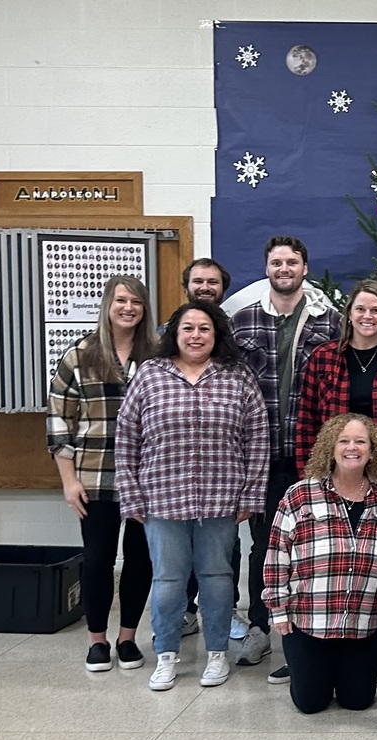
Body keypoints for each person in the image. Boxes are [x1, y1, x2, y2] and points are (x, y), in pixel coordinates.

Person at [116, 301, 269, 691]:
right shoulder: (151, 374)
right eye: (188, 328)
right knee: (168, 581)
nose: (196, 336)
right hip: (161, 498)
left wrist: (252, 494)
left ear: (216, 334)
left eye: (204, 328)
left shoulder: (237, 375)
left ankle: (217, 653)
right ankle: (166, 655)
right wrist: (131, 495)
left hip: (221, 498)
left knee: (217, 578)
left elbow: (257, 437)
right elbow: (127, 437)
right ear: (175, 334)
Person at [295, 279, 377, 682]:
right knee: (333, 556)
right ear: (348, 314)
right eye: (361, 309)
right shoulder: (323, 358)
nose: (368, 317)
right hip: (333, 475)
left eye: (376, 310)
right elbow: (307, 420)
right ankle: (319, 641)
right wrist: (308, 477)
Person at [231, 235, 341, 681]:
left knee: (318, 544)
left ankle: (315, 632)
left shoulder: (329, 322)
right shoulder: (243, 321)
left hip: (313, 453)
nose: (284, 269)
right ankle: (260, 628)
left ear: (304, 269)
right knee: (264, 547)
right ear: (267, 269)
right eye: (276, 262)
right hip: (261, 455)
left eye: (292, 262)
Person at [46, 275, 157, 673]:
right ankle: (97, 640)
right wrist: (68, 480)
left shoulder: (157, 355)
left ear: (145, 309)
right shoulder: (80, 355)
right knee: (98, 560)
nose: (129, 308)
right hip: (95, 475)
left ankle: (127, 638)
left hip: (148, 476)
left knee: (141, 560)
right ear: (108, 305)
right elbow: (59, 420)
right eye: (121, 301)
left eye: (136, 302)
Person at [264, 414, 377, 714]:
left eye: (360, 441)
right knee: (311, 703)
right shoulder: (300, 495)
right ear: (331, 448)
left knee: (358, 701)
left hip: (363, 622)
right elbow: (276, 555)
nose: (352, 448)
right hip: (310, 621)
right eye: (344, 441)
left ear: (372, 451)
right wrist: (278, 610)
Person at [174, 257, 248, 642]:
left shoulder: (234, 336)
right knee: (179, 549)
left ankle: (225, 611)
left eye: (213, 282)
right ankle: (185, 611)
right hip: (176, 468)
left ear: (223, 288)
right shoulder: (170, 333)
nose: (205, 287)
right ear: (187, 285)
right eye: (198, 281)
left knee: (225, 549)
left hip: (223, 467)